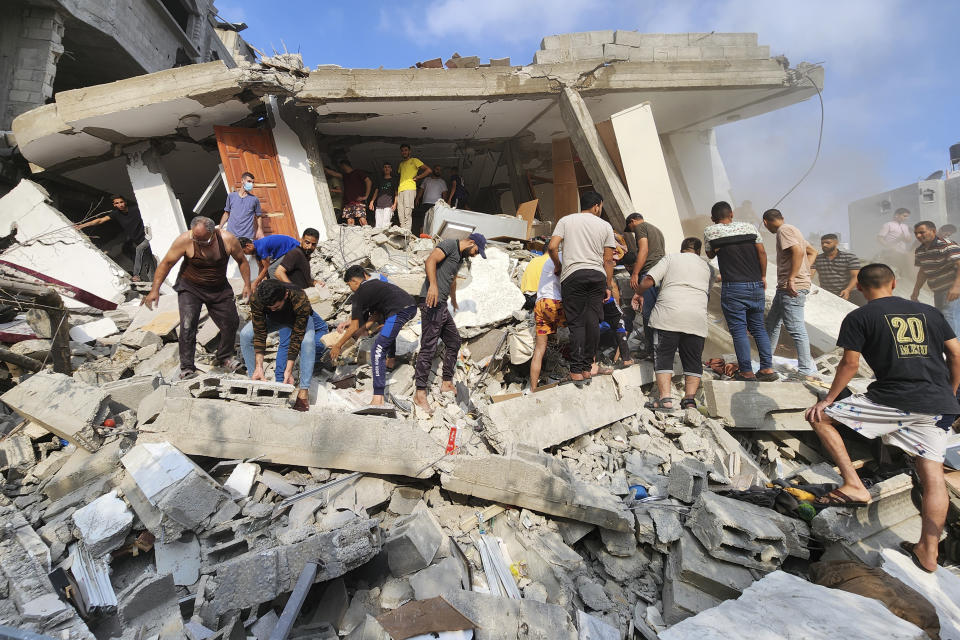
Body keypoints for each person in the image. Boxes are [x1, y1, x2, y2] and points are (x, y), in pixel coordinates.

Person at [805, 263, 960, 573]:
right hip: (939, 404)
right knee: (931, 475)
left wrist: (829, 399)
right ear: (894, 282)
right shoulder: (930, 313)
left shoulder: (859, 316)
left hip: (894, 399)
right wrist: (951, 394)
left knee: (820, 418)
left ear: (861, 289)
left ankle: (853, 485)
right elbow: (956, 355)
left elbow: (849, 364)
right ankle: (928, 552)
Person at [143, 216, 251, 379]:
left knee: (231, 322)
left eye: (204, 241)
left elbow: (242, 261)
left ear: (213, 232)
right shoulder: (185, 240)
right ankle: (187, 367)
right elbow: (166, 263)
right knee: (187, 325)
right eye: (197, 240)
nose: (199, 244)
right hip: (190, 287)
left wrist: (247, 284)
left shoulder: (227, 239)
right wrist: (154, 290)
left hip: (219, 288)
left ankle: (224, 357)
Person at [635, 237, 714, 411]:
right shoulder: (708, 267)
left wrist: (639, 292)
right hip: (696, 318)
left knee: (664, 355)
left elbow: (650, 279)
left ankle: (665, 400)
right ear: (699, 251)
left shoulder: (671, 258)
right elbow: (707, 293)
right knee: (693, 359)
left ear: (682, 248)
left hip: (668, 315)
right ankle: (690, 401)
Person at [547, 191, 617, 386]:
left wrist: (558, 265)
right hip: (597, 276)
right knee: (592, 322)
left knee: (577, 323)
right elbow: (609, 259)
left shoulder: (566, 220)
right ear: (596, 206)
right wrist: (608, 285)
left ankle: (576, 371)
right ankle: (587, 368)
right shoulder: (605, 226)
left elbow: (552, 247)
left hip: (573, 276)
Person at [703, 201, 776, 381]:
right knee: (759, 328)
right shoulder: (750, 228)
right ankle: (767, 369)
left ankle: (747, 372)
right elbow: (762, 253)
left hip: (733, 287)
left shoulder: (710, 231)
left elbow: (711, 254)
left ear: (713, 219)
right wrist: (763, 276)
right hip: (756, 284)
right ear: (732, 214)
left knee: (739, 331)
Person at [413, 234, 486, 413]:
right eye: (477, 251)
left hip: (442, 305)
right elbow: (430, 261)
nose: (476, 255)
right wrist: (433, 286)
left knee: (454, 341)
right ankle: (420, 393)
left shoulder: (460, 257)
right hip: (431, 302)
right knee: (428, 347)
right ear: (472, 242)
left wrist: (453, 300)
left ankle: (446, 382)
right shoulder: (449, 244)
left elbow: (452, 280)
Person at [331, 266, 417, 406]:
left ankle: (378, 398)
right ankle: (391, 360)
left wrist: (338, 345)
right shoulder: (376, 284)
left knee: (377, 350)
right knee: (386, 332)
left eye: (349, 285)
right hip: (409, 306)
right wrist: (357, 331)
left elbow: (354, 326)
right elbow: (374, 316)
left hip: (398, 311)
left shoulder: (359, 293)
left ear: (353, 281)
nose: (350, 288)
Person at [240, 279, 329, 412]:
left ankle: (303, 391)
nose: (272, 309)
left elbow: (296, 337)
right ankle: (256, 379)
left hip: (297, 319)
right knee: (245, 334)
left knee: (308, 342)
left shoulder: (299, 297)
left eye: (275, 307)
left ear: (285, 295)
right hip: (273, 321)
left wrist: (288, 370)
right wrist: (259, 366)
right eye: (269, 308)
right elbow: (260, 332)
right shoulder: (258, 298)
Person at [762, 208, 818, 380]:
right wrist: (805, 271)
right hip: (784, 287)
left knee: (795, 328)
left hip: (791, 286)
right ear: (782, 218)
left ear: (765, 222)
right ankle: (766, 363)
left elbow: (798, 252)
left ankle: (805, 371)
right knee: (772, 323)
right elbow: (812, 252)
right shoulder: (794, 229)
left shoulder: (783, 231)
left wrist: (794, 277)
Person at [76, 195, 153, 281]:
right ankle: (146, 277)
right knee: (141, 256)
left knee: (146, 257)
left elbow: (150, 210)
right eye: (117, 203)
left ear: (125, 202)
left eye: (121, 202)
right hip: (135, 240)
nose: (120, 205)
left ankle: (140, 277)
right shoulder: (116, 214)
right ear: (114, 205)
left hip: (147, 238)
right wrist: (82, 225)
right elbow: (100, 220)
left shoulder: (135, 209)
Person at [626, 213, 665, 357]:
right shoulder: (656, 229)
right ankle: (662, 349)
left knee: (648, 313)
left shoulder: (640, 227)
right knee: (660, 312)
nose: (632, 231)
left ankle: (650, 351)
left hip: (650, 272)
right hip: (661, 272)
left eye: (630, 228)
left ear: (632, 221)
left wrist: (635, 273)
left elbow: (644, 250)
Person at [910, 220, 960, 334]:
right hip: (938, 291)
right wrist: (916, 290)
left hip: (953, 289)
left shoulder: (947, 245)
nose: (918, 236)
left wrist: (956, 287)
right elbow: (923, 271)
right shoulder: (920, 251)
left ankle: (955, 349)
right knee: (944, 317)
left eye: (922, 232)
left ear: (933, 231)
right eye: (916, 233)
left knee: (949, 317)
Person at [530, 252, 564, 391]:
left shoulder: (551, 259)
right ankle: (583, 371)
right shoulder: (568, 257)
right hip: (554, 302)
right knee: (581, 329)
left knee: (539, 348)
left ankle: (533, 388)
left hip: (540, 304)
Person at [811, 233, 863, 305]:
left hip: (850, 293)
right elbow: (810, 275)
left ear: (836, 243)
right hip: (828, 295)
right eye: (822, 243)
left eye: (828, 243)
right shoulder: (817, 258)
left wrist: (847, 290)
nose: (824, 245)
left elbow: (856, 276)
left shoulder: (850, 257)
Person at [325, 159, 371, 226]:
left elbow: (368, 181)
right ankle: (352, 236)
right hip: (348, 203)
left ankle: (367, 234)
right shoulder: (345, 176)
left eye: (341, 166)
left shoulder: (357, 172)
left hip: (358, 202)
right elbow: (334, 173)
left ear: (344, 165)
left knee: (362, 220)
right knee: (350, 222)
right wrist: (324, 168)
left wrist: (366, 196)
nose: (340, 168)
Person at [397, 144, 431, 231]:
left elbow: (428, 170)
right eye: (402, 151)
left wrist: (418, 177)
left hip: (410, 188)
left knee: (407, 213)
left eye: (406, 150)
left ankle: (407, 233)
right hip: (400, 190)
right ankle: (402, 232)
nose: (404, 152)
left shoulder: (414, 160)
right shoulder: (401, 164)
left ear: (409, 151)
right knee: (400, 212)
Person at [221, 172, 264, 241]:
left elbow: (258, 216)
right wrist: (220, 228)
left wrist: (260, 229)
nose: (251, 184)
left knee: (246, 252)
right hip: (231, 235)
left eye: (253, 182)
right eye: (249, 181)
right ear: (242, 181)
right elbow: (226, 213)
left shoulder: (254, 199)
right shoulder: (231, 196)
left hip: (247, 236)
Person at [877, 208, 913, 277]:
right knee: (895, 271)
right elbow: (879, 238)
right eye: (904, 216)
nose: (906, 218)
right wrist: (888, 246)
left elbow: (908, 240)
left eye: (907, 216)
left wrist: (907, 239)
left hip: (902, 251)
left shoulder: (905, 226)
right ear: (896, 215)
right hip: (891, 252)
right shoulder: (888, 225)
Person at [369, 162, 397, 229]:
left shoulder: (393, 180)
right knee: (378, 226)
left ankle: (385, 239)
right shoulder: (380, 180)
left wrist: (395, 204)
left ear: (391, 169)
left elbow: (396, 193)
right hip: (379, 205)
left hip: (388, 205)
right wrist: (372, 202)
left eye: (388, 167)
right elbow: (376, 191)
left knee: (386, 225)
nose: (387, 168)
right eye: (385, 167)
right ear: (383, 169)